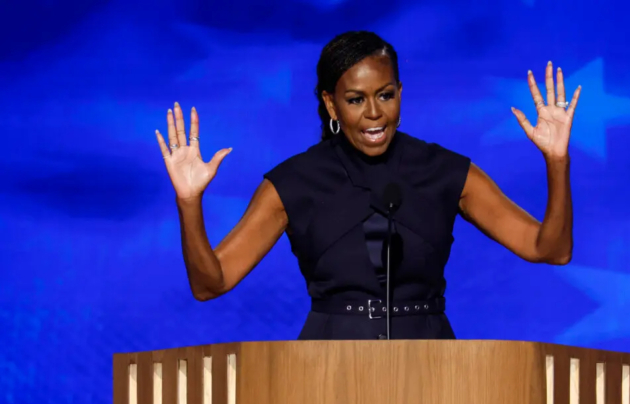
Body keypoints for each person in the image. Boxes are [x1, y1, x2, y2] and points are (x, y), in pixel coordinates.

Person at [154, 31, 580, 340]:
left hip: (435, 373)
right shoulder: (294, 182)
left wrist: (556, 161)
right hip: (326, 371)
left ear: (399, 93)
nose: (374, 113)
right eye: (356, 99)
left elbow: (550, 249)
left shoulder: (445, 170)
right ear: (330, 103)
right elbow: (210, 283)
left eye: (386, 95)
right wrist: (189, 202)